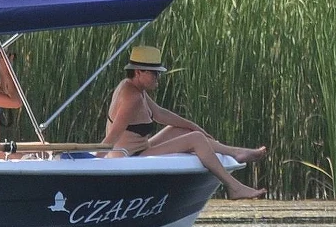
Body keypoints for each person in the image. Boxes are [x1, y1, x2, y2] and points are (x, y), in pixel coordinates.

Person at [103, 45, 267, 200]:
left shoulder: (135, 89)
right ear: (139, 72)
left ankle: (236, 152)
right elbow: (114, 135)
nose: (158, 78)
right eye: (154, 73)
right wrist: (95, 159)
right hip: (130, 157)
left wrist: (194, 126)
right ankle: (234, 187)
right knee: (195, 139)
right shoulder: (132, 98)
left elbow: (160, 114)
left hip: (141, 149)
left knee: (184, 131)